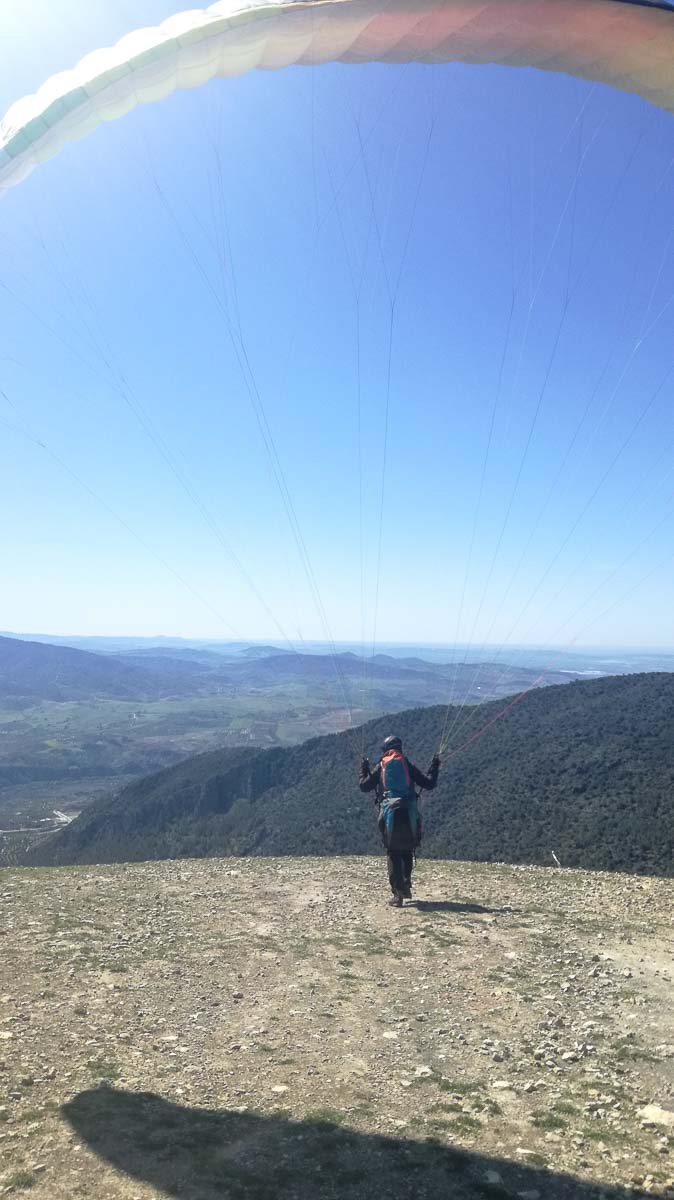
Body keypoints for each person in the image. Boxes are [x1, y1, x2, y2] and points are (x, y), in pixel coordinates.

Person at [359, 735, 441, 907]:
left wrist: (364, 769)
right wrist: (435, 766)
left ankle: (398, 895)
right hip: (408, 813)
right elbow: (429, 784)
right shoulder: (406, 765)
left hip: (390, 814)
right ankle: (406, 883)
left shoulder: (381, 765)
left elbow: (364, 786)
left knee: (393, 852)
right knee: (407, 849)